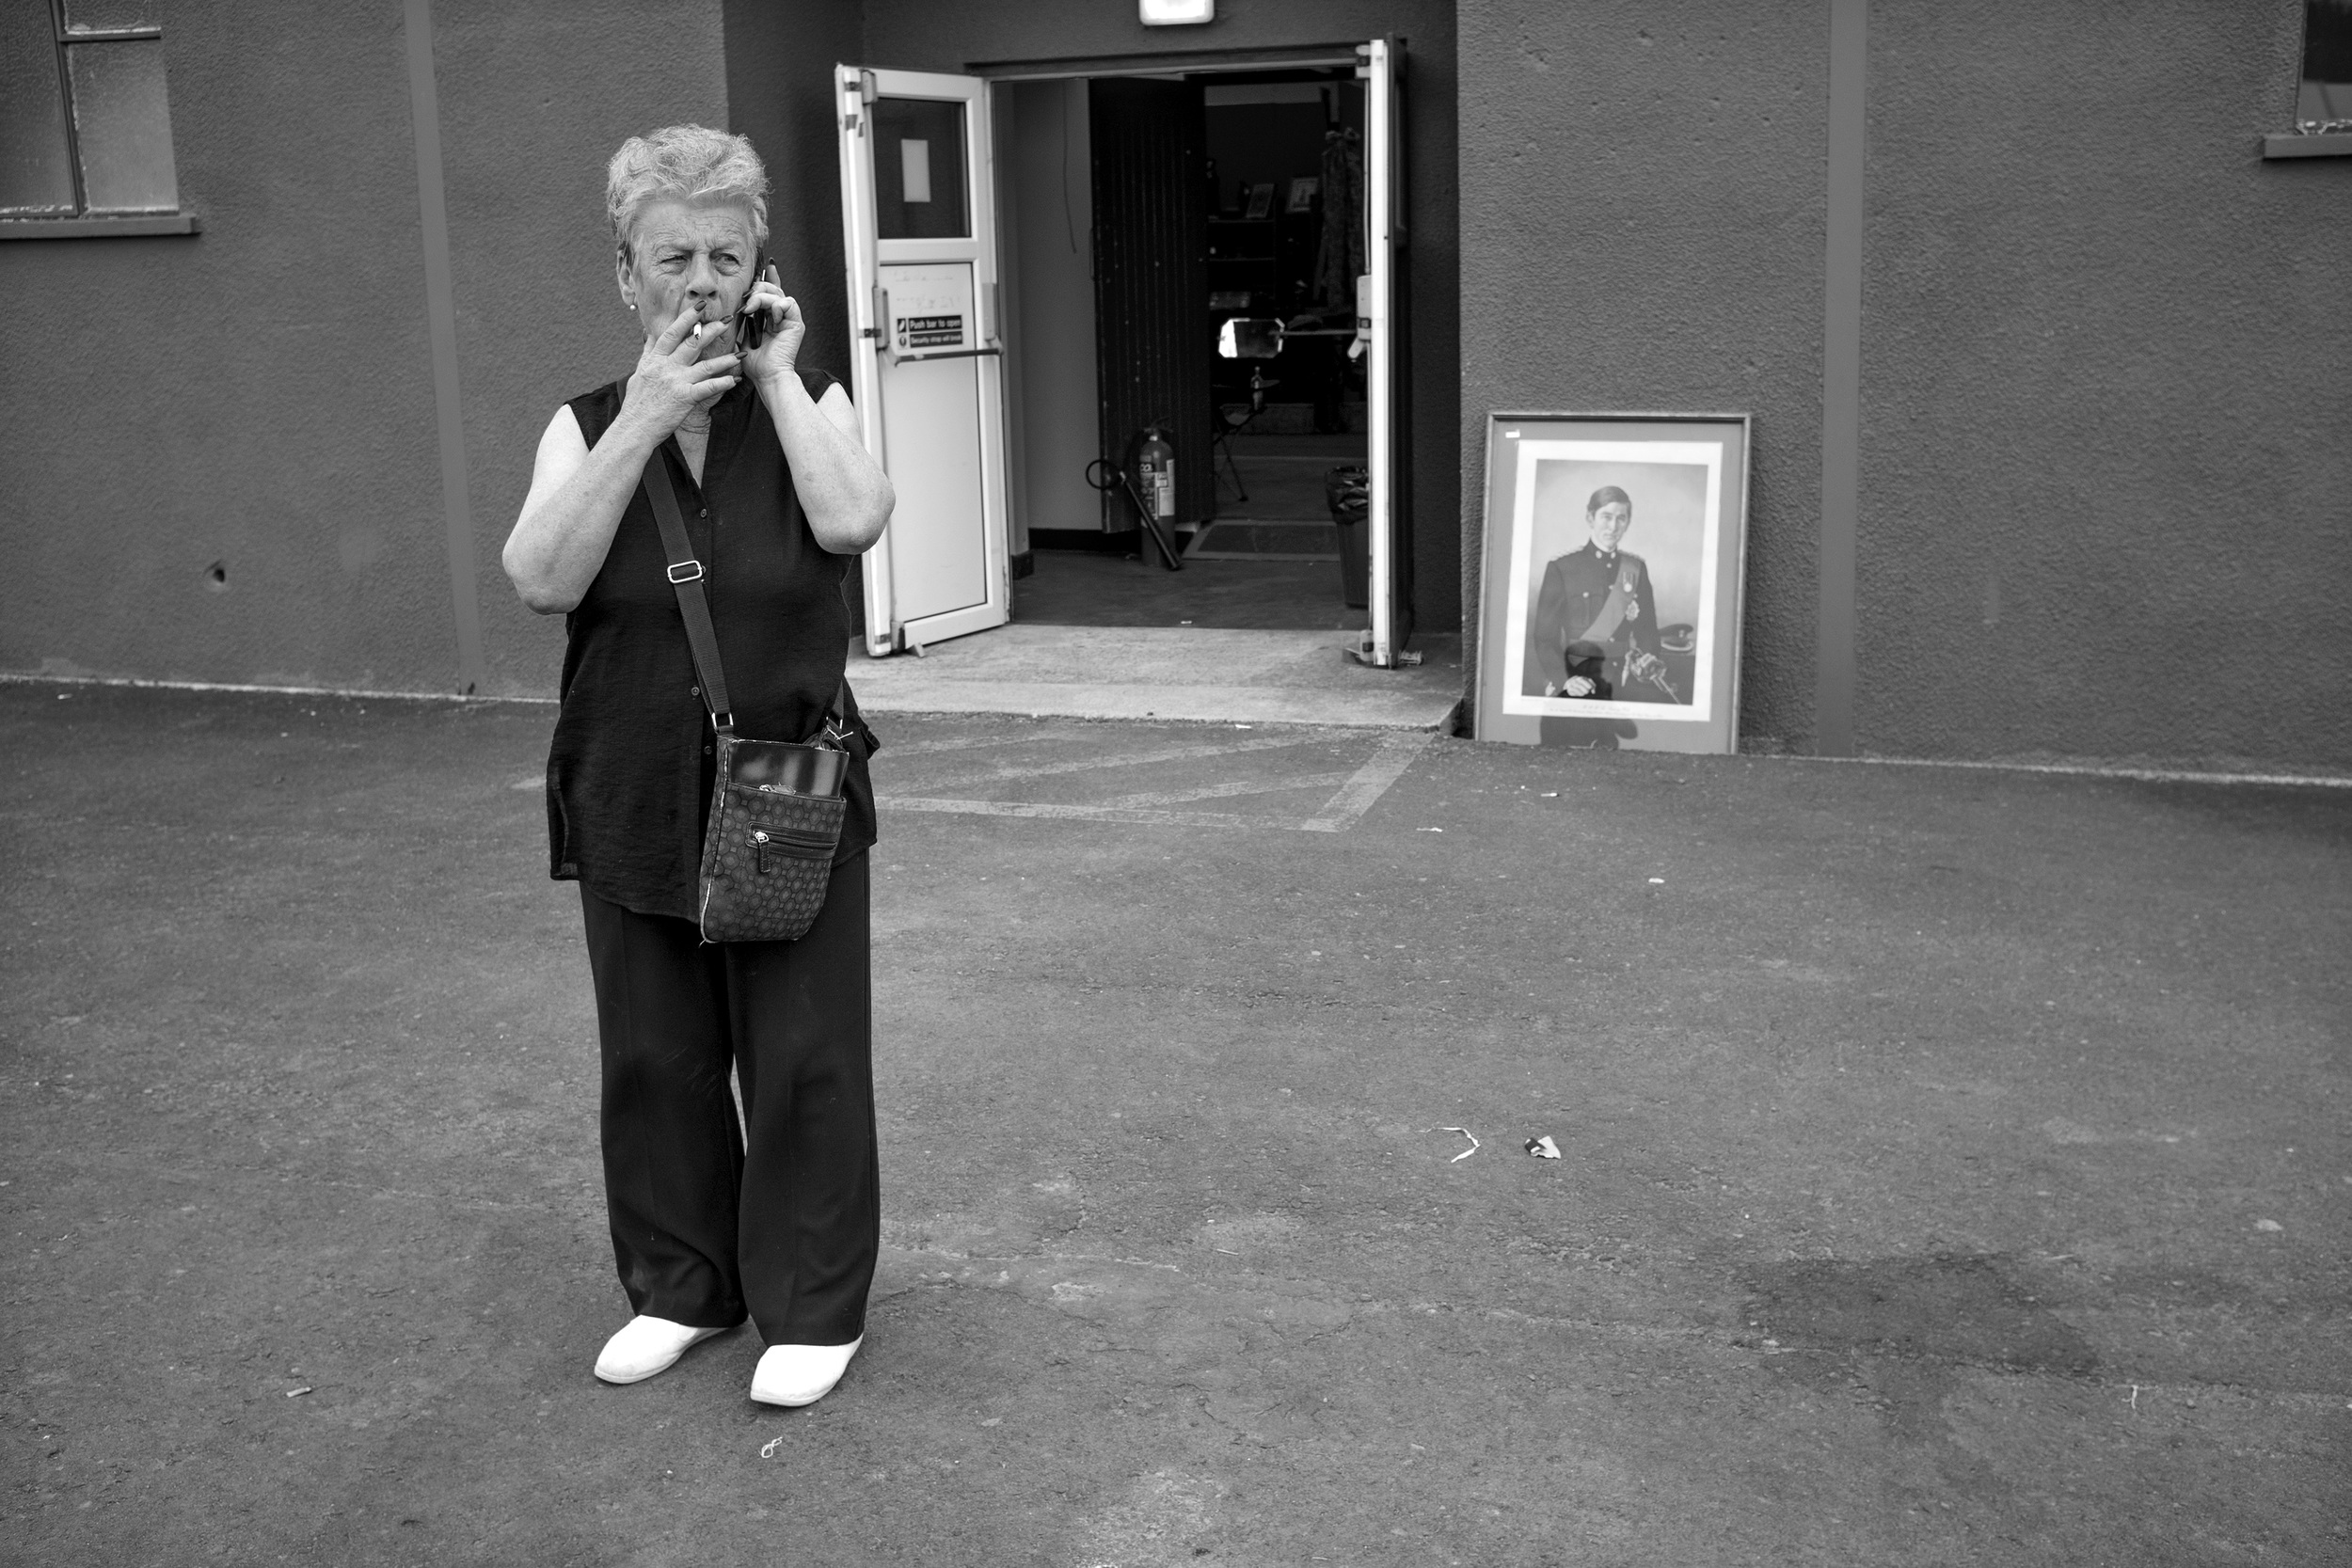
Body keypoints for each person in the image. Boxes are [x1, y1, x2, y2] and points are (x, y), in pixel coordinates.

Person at [501, 125, 896, 1409]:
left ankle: (812, 1302)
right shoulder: (584, 424)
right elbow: (542, 576)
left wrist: (775, 382)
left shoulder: (810, 399)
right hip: (628, 777)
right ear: (625, 275)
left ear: (759, 268)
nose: (701, 280)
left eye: (727, 255)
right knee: (656, 1054)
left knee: (805, 1053)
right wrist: (647, 420)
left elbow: (849, 519)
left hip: (784, 776)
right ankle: (682, 1286)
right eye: (672, 256)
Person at [1527, 485, 1678, 703]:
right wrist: (1565, 680)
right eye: (1606, 517)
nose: (1613, 527)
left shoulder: (1636, 568)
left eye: (1621, 519)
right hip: (1578, 676)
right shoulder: (1563, 567)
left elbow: (1647, 629)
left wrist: (1647, 659)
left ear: (1627, 523)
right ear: (1590, 518)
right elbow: (1544, 638)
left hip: (1624, 678)